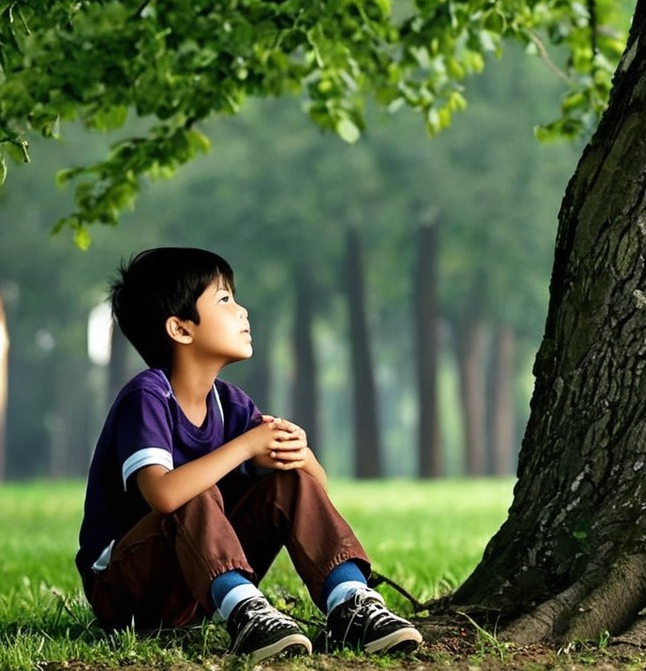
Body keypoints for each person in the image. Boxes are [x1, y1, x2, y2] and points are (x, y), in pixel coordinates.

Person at [75, 247, 422, 662]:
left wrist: (294, 448)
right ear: (180, 329)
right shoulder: (147, 396)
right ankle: (244, 612)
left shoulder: (230, 403)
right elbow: (164, 496)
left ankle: (351, 603)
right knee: (191, 491)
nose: (242, 311)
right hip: (127, 591)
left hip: (194, 581)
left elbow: (312, 491)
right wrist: (245, 446)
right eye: (224, 300)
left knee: (288, 479)